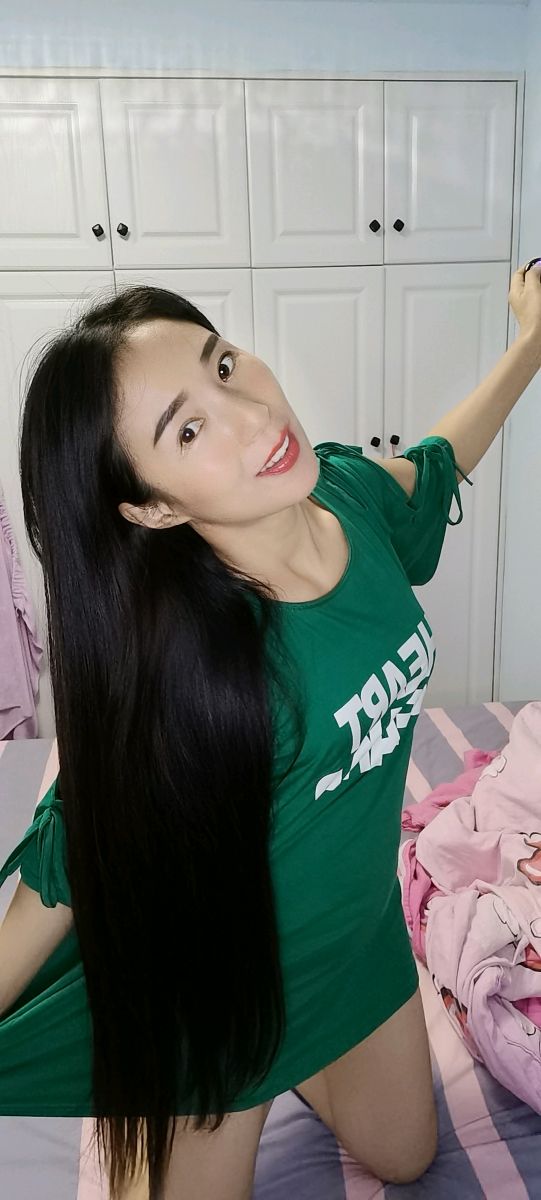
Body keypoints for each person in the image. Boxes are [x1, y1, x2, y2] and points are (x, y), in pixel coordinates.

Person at [0, 264, 540, 1200]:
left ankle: (309, 1053)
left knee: (406, 1158)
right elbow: (73, 866)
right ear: (154, 506)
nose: (252, 415)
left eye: (222, 364)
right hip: (226, 992)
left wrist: (529, 343)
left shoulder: (350, 495)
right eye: (188, 429)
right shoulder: (186, 669)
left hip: (358, 938)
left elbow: (439, 462)